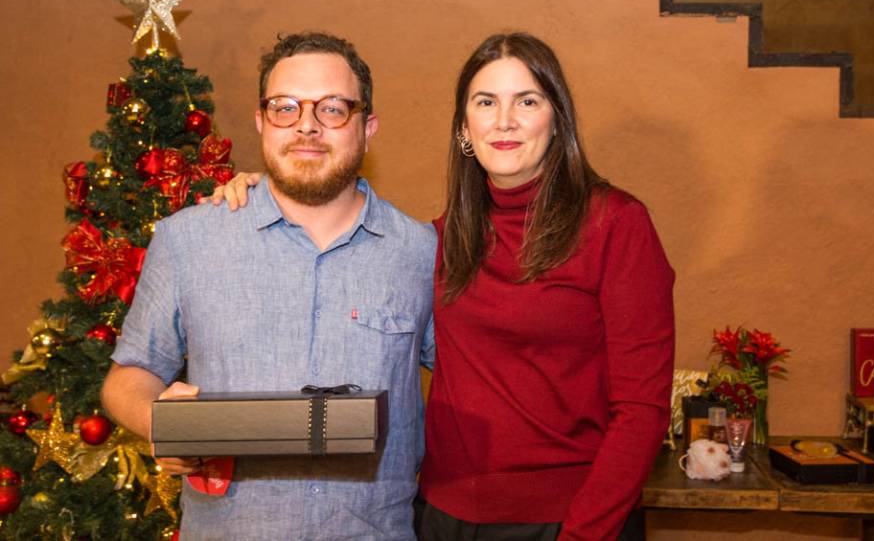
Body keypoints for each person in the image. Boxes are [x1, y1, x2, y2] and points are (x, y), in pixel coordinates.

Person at [214, 32, 675, 540]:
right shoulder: (436, 241)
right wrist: (271, 189)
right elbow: (337, 237)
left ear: (557, 118)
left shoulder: (615, 224)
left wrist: (585, 534)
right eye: (486, 102)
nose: (504, 120)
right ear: (464, 128)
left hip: (568, 520)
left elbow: (642, 411)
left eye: (527, 100)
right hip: (442, 516)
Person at [101, 32, 436, 541]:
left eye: (332, 108)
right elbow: (130, 374)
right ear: (261, 122)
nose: (306, 125)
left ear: (367, 129)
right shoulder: (188, 239)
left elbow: (479, 380)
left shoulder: (421, 253)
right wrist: (161, 423)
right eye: (285, 107)